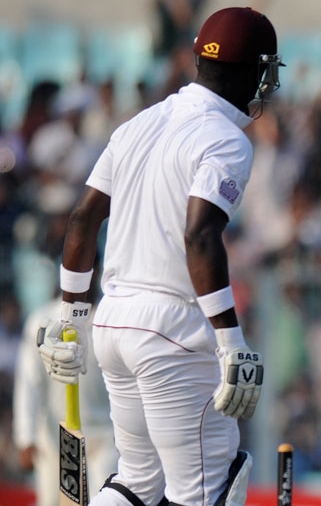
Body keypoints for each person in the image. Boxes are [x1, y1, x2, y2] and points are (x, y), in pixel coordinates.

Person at [35, 6, 282, 505]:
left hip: (114, 323)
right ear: (255, 72)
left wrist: (72, 318)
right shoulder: (227, 139)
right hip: (173, 331)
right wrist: (230, 342)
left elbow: (82, 219)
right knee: (207, 490)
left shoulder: (138, 124)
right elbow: (200, 235)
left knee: (136, 482)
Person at [14, 296, 117, 506]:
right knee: (52, 502)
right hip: (55, 438)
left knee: (105, 500)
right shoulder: (42, 320)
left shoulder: (110, 318)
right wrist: (26, 437)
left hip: (104, 435)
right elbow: (29, 382)